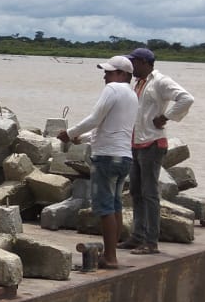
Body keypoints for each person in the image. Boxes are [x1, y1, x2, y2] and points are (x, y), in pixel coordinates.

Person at [58, 55, 139, 269]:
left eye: (109, 72)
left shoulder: (113, 89)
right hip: (124, 157)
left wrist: (69, 133)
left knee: (104, 207)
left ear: (122, 74)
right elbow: (109, 126)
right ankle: (112, 253)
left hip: (106, 157)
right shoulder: (131, 95)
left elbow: (95, 118)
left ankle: (110, 257)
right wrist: (82, 138)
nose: (105, 75)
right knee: (115, 205)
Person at [124, 46, 194, 255]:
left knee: (150, 193)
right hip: (136, 142)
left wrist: (166, 117)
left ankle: (151, 241)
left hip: (153, 144)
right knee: (136, 192)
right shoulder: (138, 83)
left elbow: (186, 98)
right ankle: (137, 236)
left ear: (145, 63)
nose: (131, 66)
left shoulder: (160, 81)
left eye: (134, 62)